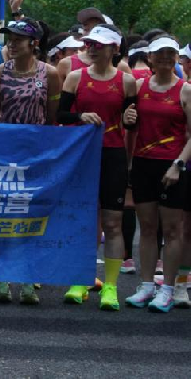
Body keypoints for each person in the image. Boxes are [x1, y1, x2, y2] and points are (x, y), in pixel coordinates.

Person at [56, 24, 137, 310]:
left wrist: (129, 122)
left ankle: (111, 287)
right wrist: (80, 116)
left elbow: (132, 122)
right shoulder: (75, 77)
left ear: (114, 49)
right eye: (89, 43)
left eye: (98, 45)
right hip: (83, 155)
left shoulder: (127, 81)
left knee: (113, 222)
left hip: (113, 155)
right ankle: (81, 280)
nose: (91, 48)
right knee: (84, 220)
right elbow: (61, 115)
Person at [0, 17, 61, 304]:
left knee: (32, 215)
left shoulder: (50, 74)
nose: (13, 44)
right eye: (11, 39)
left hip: (37, 153)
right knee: (4, 213)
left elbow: (52, 117)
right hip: (6, 151)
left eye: (19, 39)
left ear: (34, 43)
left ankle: (29, 278)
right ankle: (2, 278)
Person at [124, 36, 191, 313]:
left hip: (172, 166)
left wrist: (178, 165)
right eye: (159, 53)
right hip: (143, 163)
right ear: (149, 58)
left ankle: (169, 289)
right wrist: (126, 121)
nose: (165, 57)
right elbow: (130, 125)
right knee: (148, 227)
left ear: (176, 58)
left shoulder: (185, 90)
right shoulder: (139, 86)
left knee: (173, 230)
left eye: (170, 53)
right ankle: (146, 285)